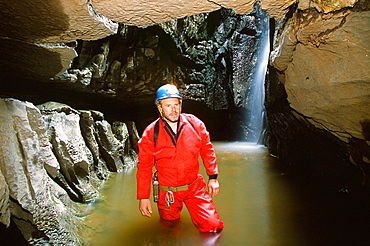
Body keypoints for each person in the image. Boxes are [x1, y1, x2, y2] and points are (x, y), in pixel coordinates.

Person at [136, 84, 224, 233]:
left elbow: (207, 149)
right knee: (170, 227)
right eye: (168, 105)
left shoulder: (194, 124)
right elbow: (144, 167)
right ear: (160, 108)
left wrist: (213, 177)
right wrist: (143, 197)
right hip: (167, 190)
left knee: (213, 227)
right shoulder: (151, 133)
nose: (174, 109)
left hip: (193, 186)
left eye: (176, 104)